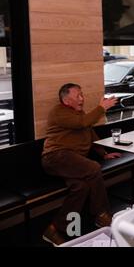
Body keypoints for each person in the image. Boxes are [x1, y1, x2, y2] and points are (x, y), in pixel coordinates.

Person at [41, 83, 121, 245]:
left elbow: (90, 134)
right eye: (78, 96)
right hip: (55, 157)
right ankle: (101, 214)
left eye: (82, 95)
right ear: (66, 100)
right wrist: (101, 107)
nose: (82, 99)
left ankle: (54, 229)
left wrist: (104, 154)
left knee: (81, 187)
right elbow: (82, 123)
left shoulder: (79, 114)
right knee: (93, 168)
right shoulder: (59, 112)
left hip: (73, 161)